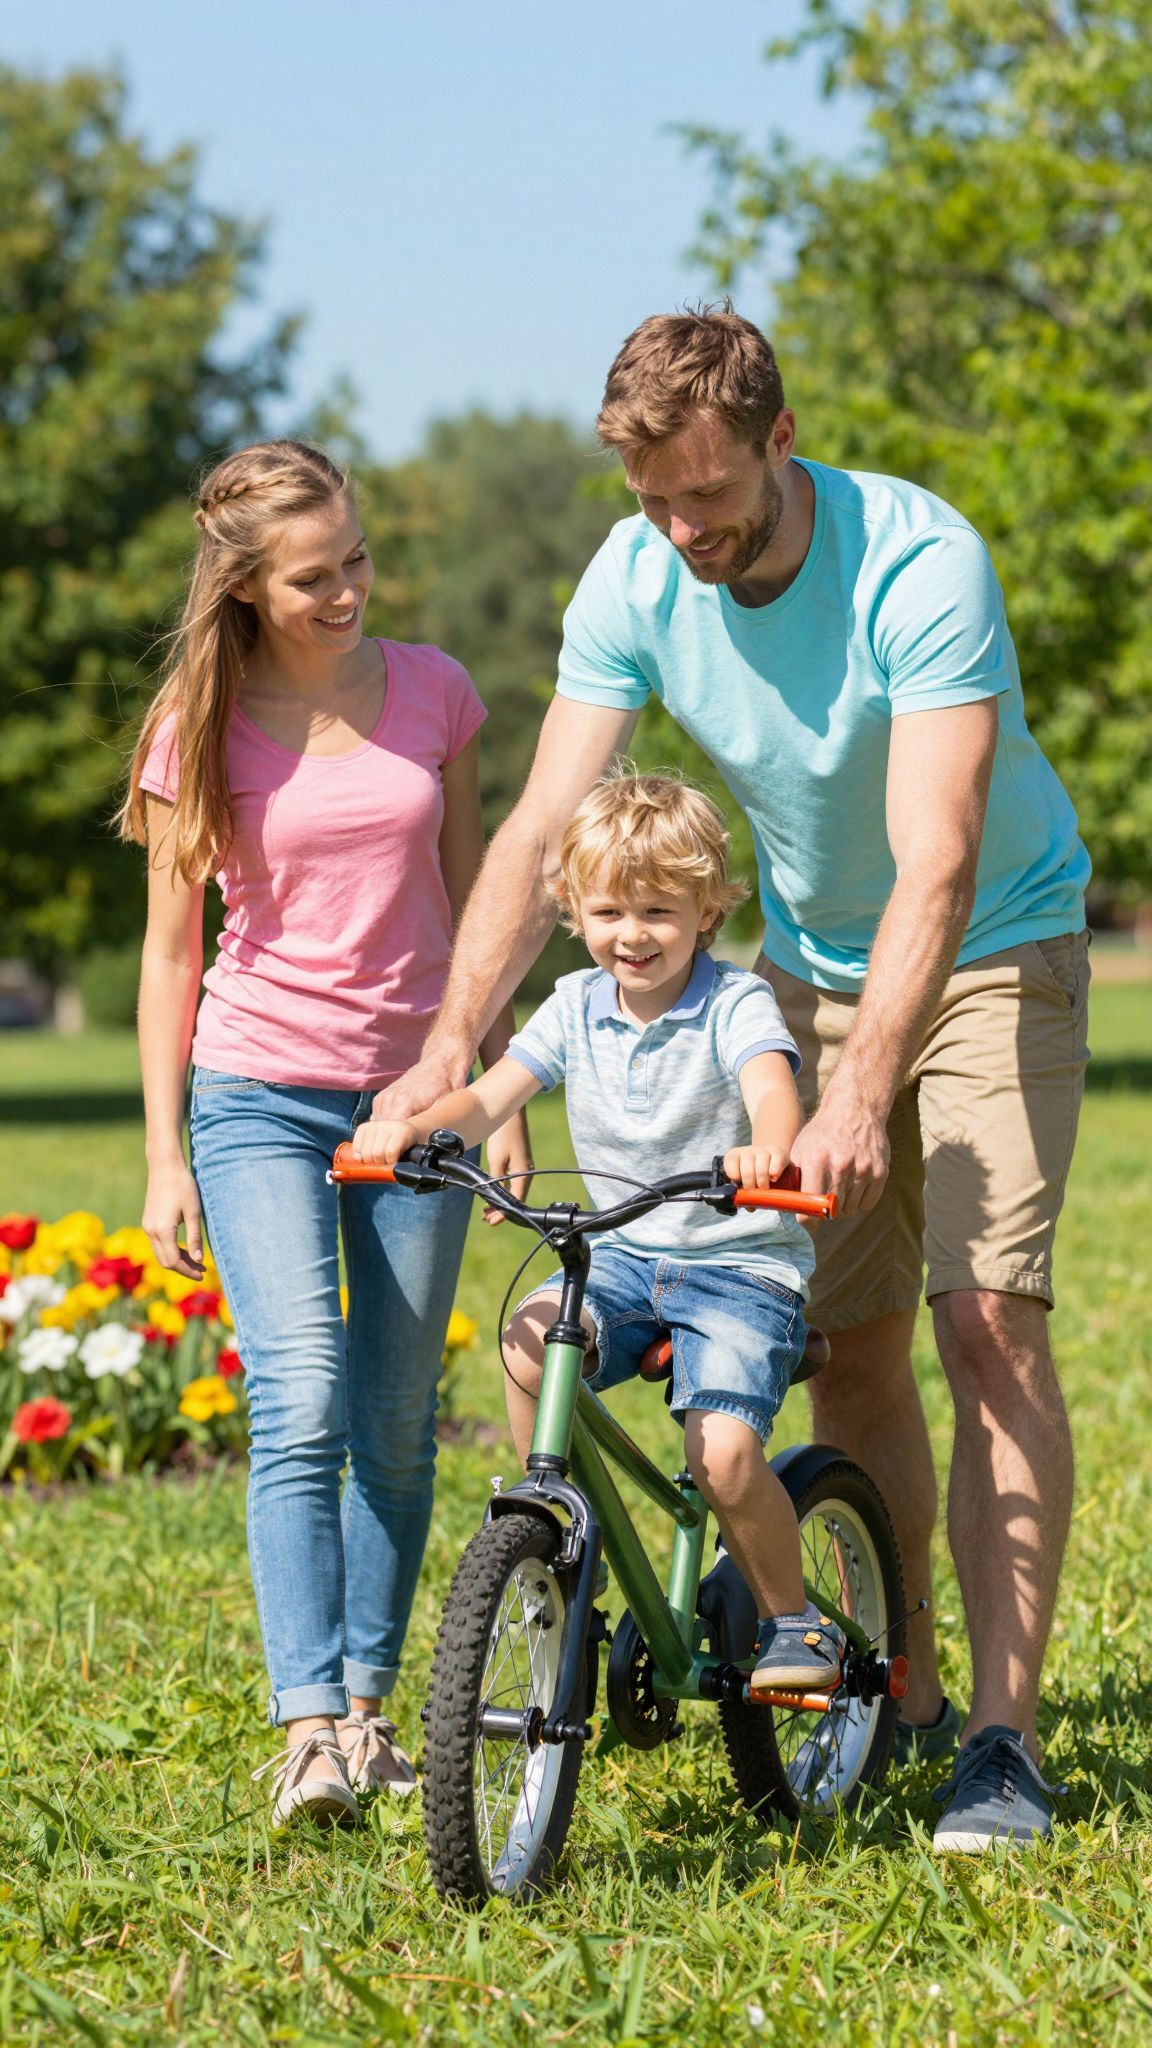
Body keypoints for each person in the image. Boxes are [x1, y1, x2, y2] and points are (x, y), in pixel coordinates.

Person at [377, 309, 1091, 1852]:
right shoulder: (638, 573)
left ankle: (1002, 1741)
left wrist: (854, 1093)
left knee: (983, 1322)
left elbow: (941, 859)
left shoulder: (919, 560)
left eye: (708, 496)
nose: (684, 533)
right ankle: (894, 1682)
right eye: (654, 504)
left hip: (993, 946)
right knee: (844, 1339)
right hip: (808, 962)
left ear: (780, 440)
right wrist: (451, 1046)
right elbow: (536, 831)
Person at [119, 439, 529, 1827]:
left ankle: (367, 1713)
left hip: (417, 1093)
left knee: (397, 1421)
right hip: (257, 1089)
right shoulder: (195, 726)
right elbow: (173, 956)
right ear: (242, 586)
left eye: (355, 557)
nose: (347, 588)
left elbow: (475, 891)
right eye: (312, 576)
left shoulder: (435, 690)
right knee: (297, 1396)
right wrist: (167, 1152)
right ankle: (305, 1728)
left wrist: (489, 1078)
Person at [357, 772, 851, 1692]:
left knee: (725, 1453)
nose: (633, 934)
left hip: (737, 1265)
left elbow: (770, 1087)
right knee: (526, 1345)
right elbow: (489, 1096)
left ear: (709, 911)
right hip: (623, 1252)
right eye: (609, 910)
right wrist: (416, 1134)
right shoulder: (574, 1004)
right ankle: (557, 1539)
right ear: (574, 910)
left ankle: (794, 1622)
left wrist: (769, 1153)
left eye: (661, 911)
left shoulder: (735, 1002)